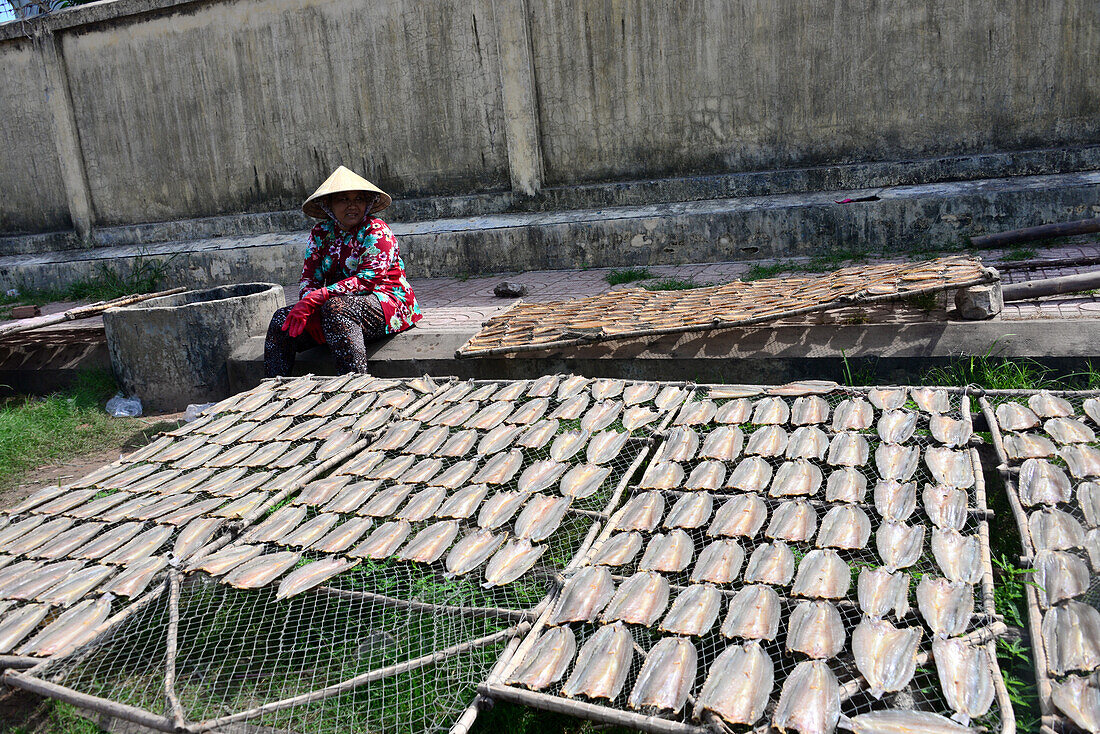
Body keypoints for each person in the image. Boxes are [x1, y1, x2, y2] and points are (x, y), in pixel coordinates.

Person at [264, 166, 422, 376]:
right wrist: (308, 306)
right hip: (334, 305)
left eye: (358, 199)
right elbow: (309, 278)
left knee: (336, 309)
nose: (352, 206)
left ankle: (354, 386)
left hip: (387, 303)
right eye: (343, 200)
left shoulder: (376, 230)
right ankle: (275, 390)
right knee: (282, 320)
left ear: (368, 203)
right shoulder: (321, 233)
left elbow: (368, 280)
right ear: (328, 205)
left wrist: (319, 298)